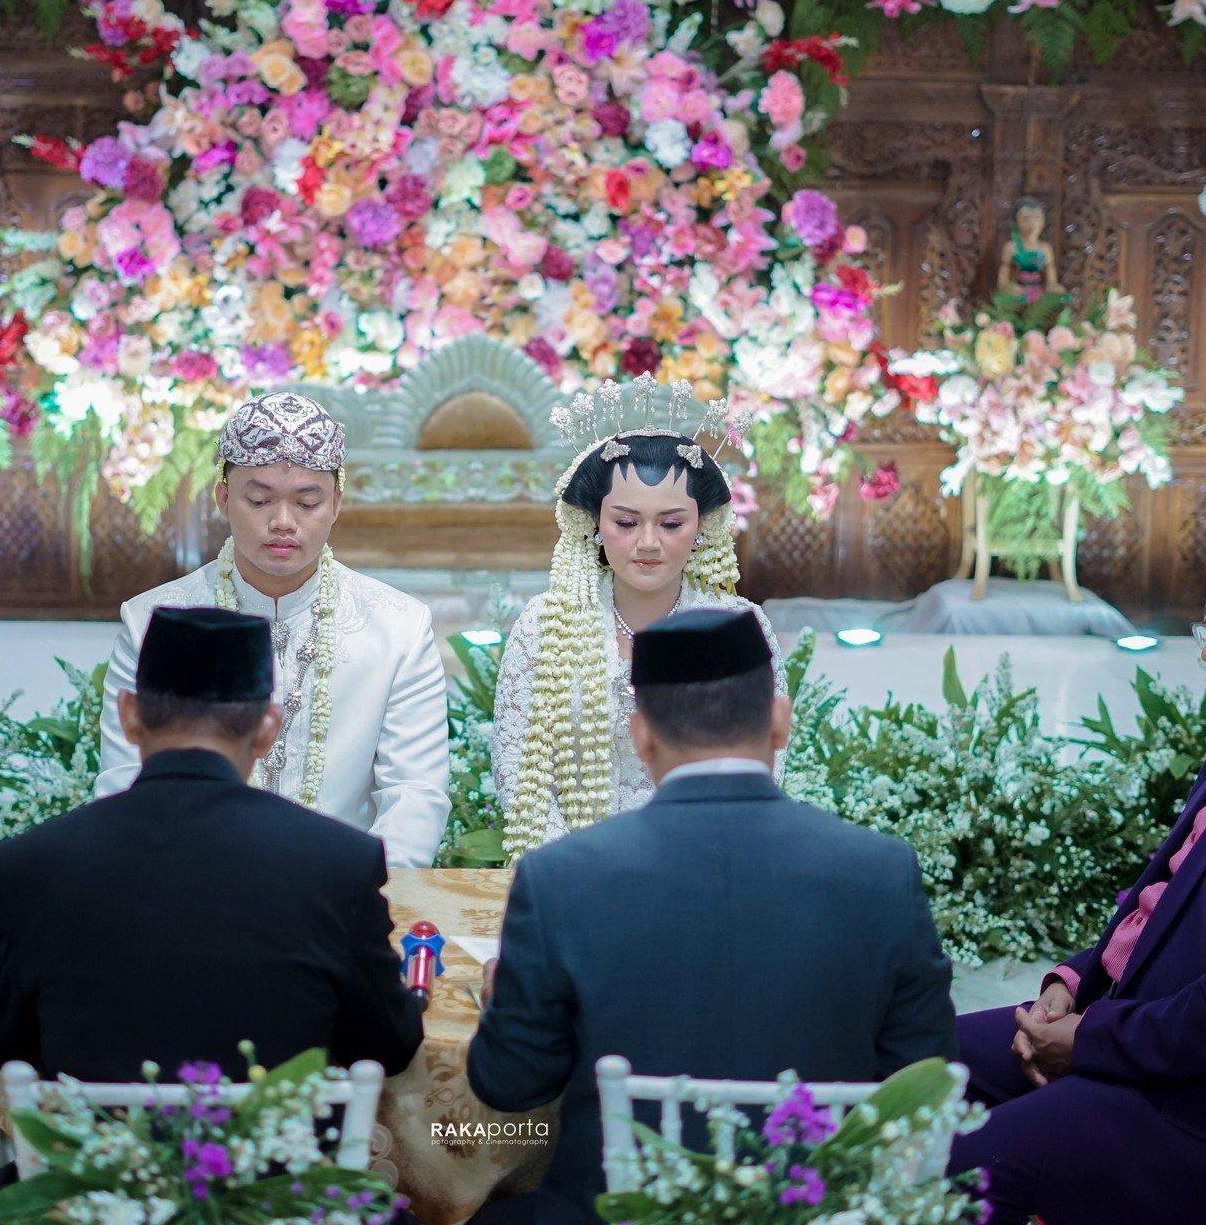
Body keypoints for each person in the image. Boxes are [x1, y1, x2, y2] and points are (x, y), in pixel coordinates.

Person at [469, 609, 956, 1225]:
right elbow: (924, 1081)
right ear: (779, 722)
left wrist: (504, 999)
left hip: (618, 1211)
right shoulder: (882, 872)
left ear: (641, 735)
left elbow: (508, 1084)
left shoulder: (563, 877)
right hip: (815, 1212)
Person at [0, 605, 425, 1083]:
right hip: (280, 1159)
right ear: (268, 728)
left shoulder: (29, 864)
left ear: (129, 716)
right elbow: (386, 1046)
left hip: (90, 1157)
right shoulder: (341, 864)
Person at [96, 391, 450, 867]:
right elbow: (125, 782)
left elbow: (414, 795)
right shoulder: (154, 622)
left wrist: (364, 900)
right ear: (223, 497)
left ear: (337, 503)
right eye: (259, 499)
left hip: (343, 901)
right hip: (192, 889)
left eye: (307, 503)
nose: (283, 522)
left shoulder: (399, 627)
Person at [949, 618, 1206, 1225]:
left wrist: (1089, 1043)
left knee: (960, 1165)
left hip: (1178, 1100)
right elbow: (1157, 902)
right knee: (912, 1062)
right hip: (1119, 1021)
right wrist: (1071, 983)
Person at [491, 378, 784, 860]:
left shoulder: (737, 626)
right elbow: (521, 775)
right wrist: (585, 876)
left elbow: (761, 770)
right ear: (595, 522)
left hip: (708, 867)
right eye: (626, 522)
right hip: (576, 877)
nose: (648, 542)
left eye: (671, 524)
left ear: (701, 526)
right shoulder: (547, 623)